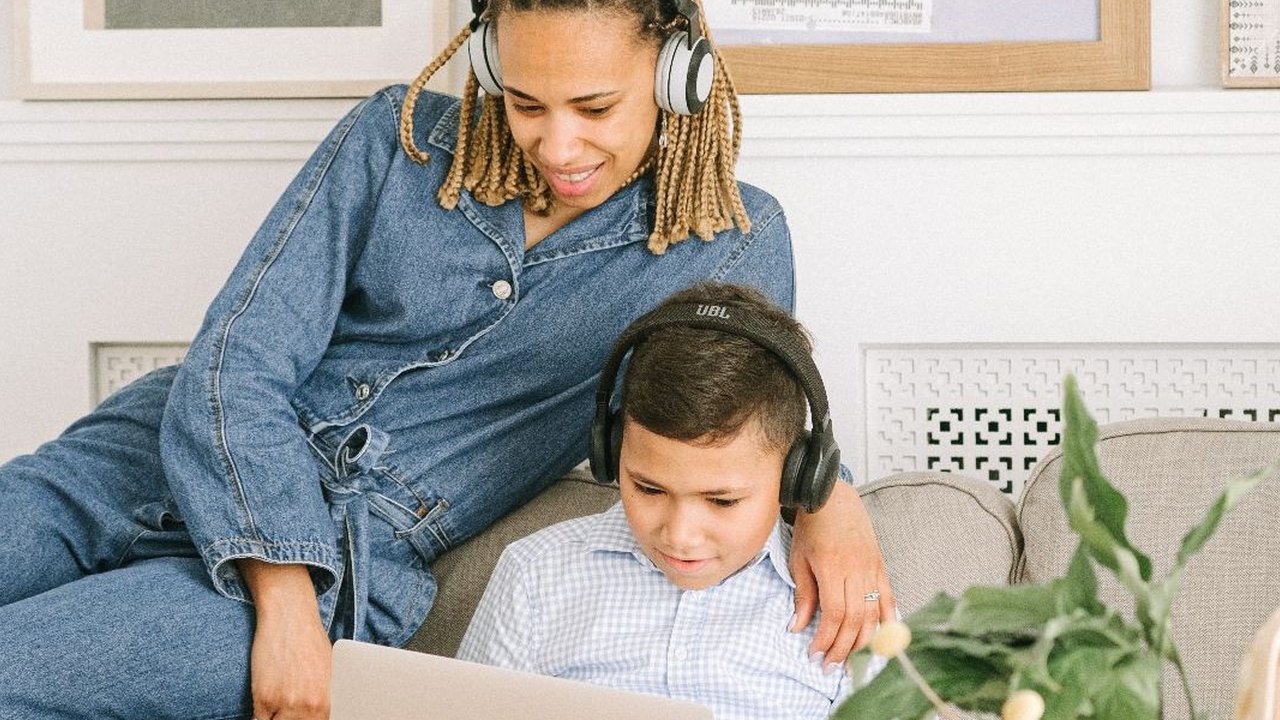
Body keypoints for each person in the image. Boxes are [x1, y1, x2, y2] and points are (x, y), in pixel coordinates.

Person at [0, 1, 892, 718]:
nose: (558, 146)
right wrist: (284, 602)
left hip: (349, 558)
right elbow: (237, 359)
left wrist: (830, 499)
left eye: (595, 108)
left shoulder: (729, 240)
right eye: (526, 103)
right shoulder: (392, 140)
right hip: (141, 459)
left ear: (676, 75)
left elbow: (739, 416)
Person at [458, 282, 886, 719]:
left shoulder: (848, 602)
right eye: (649, 489)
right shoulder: (534, 574)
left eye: (722, 501)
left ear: (797, 476)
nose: (680, 536)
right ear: (611, 452)